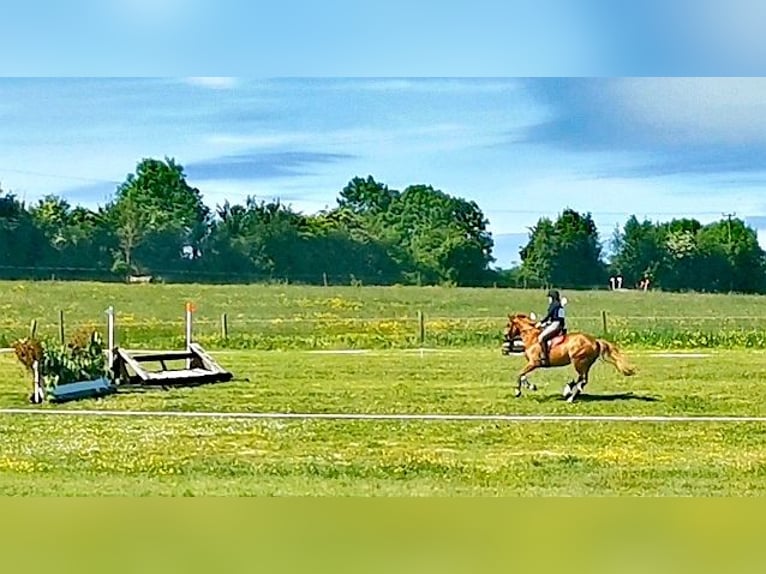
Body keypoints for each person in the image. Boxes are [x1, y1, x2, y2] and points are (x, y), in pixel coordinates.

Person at [536, 289, 567, 365]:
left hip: (556, 324)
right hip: (556, 323)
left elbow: (549, 315)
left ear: (552, 297)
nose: (548, 299)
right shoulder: (558, 305)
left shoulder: (554, 305)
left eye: (549, 297)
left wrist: (541, 322)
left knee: (541, 338)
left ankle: (545, 357)